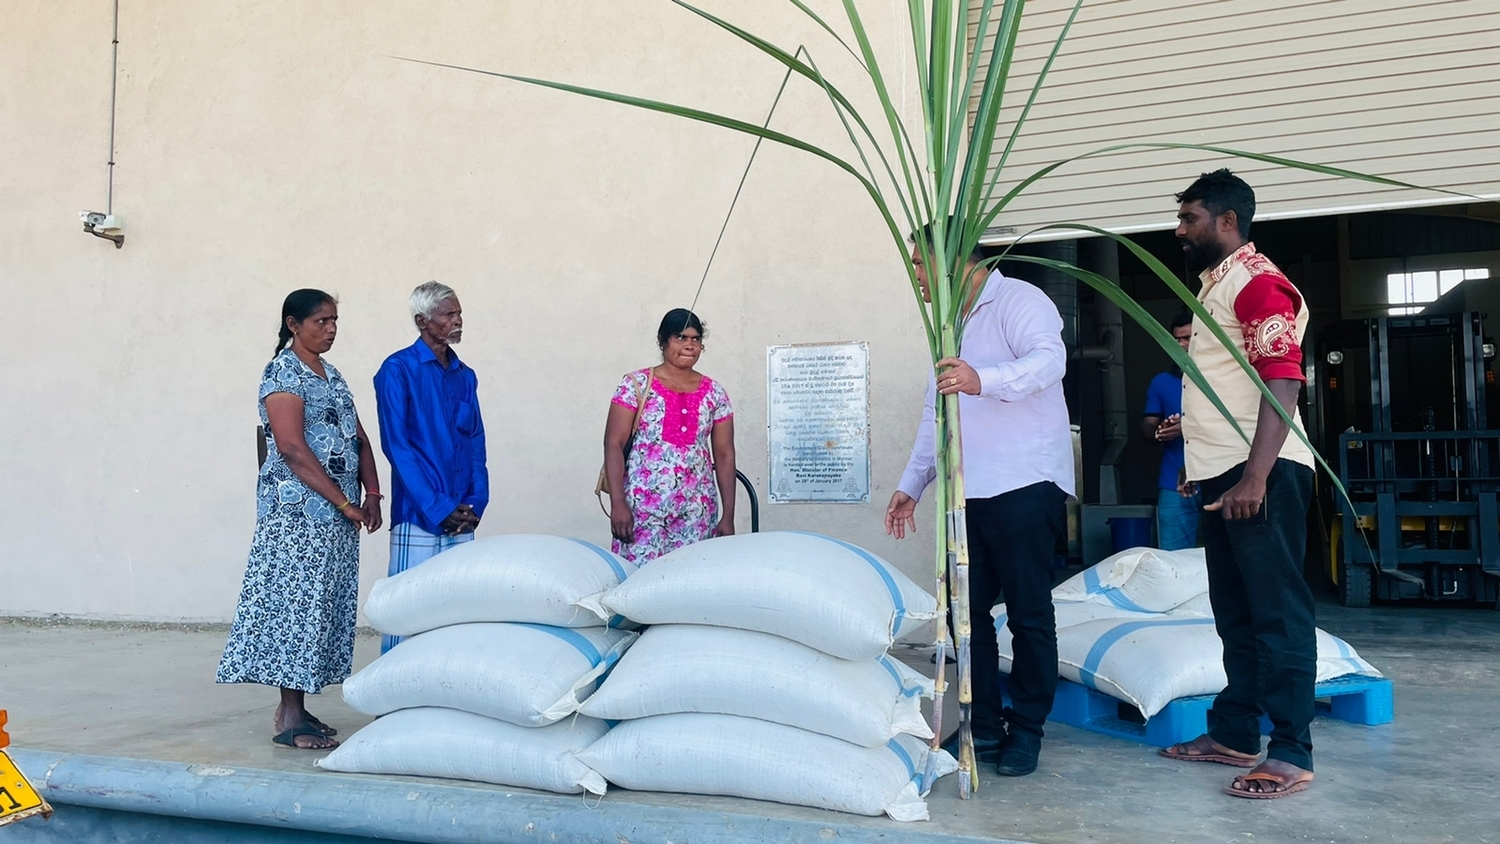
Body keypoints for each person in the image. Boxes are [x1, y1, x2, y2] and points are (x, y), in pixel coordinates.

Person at [885, 230, 1073, 777]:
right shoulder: (948, 327)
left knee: (1029, 613)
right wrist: (913, 483)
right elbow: (935, 413)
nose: (917, 275)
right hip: (966, 491)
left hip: (1025, 482)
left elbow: (1050, 361)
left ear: (953, 259)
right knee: (966, 616)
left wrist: (981, 379)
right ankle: (982, 725)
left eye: (921, 263)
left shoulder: (1018, 299)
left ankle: (1027, 730)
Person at [1156, 169, 1318, 799]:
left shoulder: (1256, 282)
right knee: (1237, 612)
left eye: (1190, 218)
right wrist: (1200, 458)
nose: (1180, 230)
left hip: (1262, 472)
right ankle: (1235, 733)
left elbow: (1283, 378)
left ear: (1227, 221)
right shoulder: (1218, 285)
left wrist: (1256, 476)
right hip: (1228, 472)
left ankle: (1292, 752)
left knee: (1277, 613)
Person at [217, 289, 383, 750]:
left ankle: (299, 707)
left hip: (336, 514)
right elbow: (291, 448)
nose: (331, 329)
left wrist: (372, 492)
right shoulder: (282, 373)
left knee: (322, 606)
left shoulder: (332, 374)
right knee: (297, 607)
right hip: (297, 516)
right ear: (293, 325)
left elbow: (358, 437)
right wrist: (345, 503)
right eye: (320, 322)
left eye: (334, 320)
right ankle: (289, 717)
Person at [373, 281, 488, 653]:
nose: (458, 321)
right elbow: (397, 447)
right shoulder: (397, 370)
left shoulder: (465, 375)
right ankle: (395, 687)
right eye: (448, 314)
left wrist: (476, 502)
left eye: (459, 313)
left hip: (462, 514)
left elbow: (475, 444)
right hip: (418, 515)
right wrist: (438, 506)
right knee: (405, 611)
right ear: (422, 321)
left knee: (455, 613)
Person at [604, 308, 736, 564]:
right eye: (681, 337)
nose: (690, 345)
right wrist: (618, 503)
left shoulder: (715, 393)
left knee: (690, 578)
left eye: (696, 339)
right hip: (642, 509)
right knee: (639, 578)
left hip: (697, 511)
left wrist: (728, 515)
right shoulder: (636, 385)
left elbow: (725, 455)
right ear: (662, 342)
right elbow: (613, 444)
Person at [1141, 312, 1200, 550]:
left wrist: (1188, 426)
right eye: (1176, 339)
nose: (1180, 345)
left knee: (1228, 556)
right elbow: (1147, 428)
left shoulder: (1224, 380)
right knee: (1173, 559)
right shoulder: (1161, 382)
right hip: (1173, 482)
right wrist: (1160, 431)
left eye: (1187, 338)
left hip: (1221, 478)